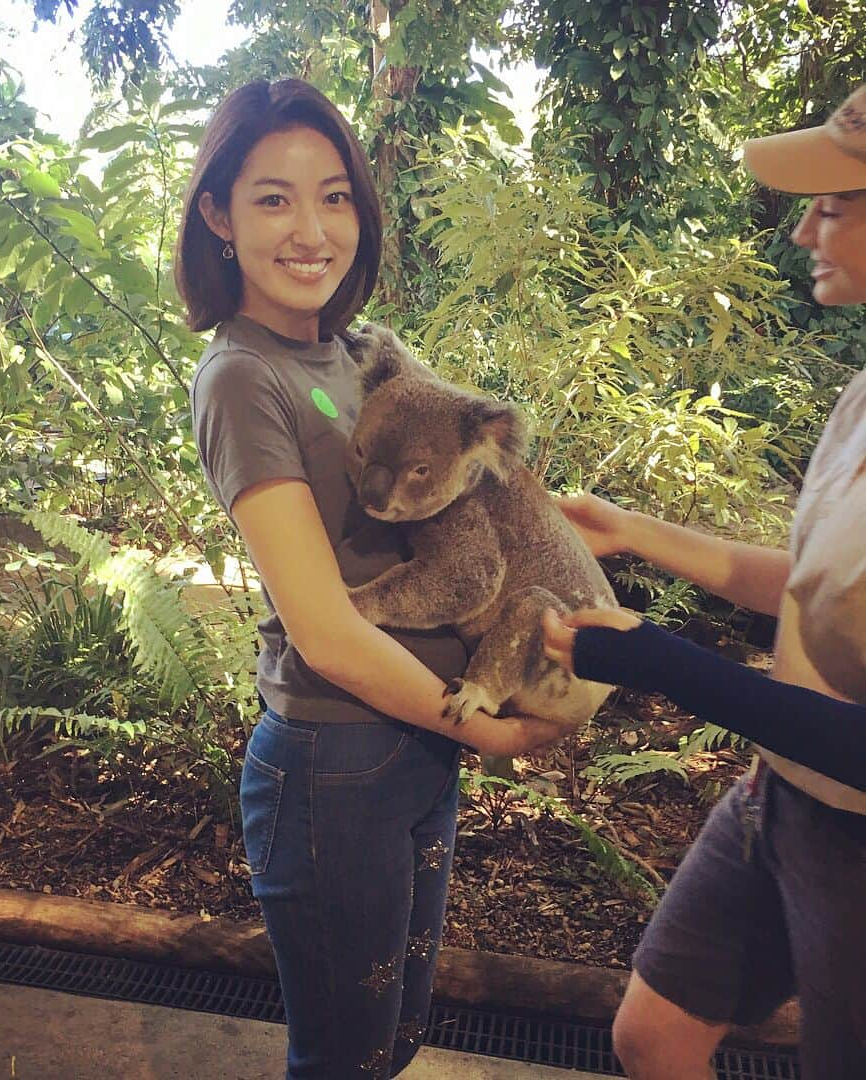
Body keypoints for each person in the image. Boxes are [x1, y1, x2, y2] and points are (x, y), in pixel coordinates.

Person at [175, 79, 564, 1080]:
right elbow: (329, 633)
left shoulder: (363, 354)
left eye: (335, 195)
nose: (312, 228)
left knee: (394, 1039)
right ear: (217, 217)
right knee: (342, 1057)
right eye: (273, 198)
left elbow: (482, 477)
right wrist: (501, 733)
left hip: (416, 751)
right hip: (333, 763)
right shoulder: (242, 377)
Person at [542, 85, 866, 1080]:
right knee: (654, 1033)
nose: (805, 225)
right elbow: (815, 587)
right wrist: (636, 533)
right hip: (781, 795)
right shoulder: (860, 394)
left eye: (839, 203)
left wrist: (657, 662)